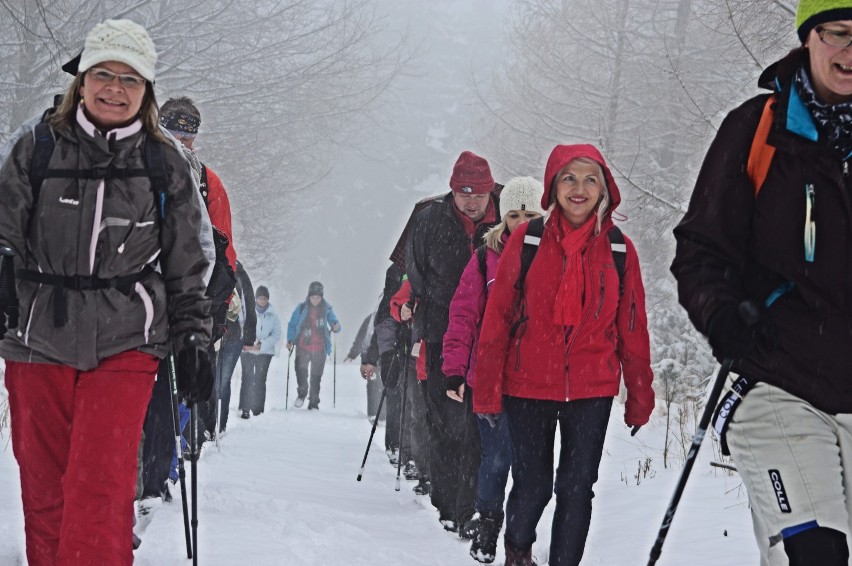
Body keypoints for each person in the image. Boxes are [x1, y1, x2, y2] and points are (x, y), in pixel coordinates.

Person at [0, 19, 212, 566]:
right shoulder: (37, 148)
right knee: (44, 488)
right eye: (103, 75)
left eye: (130, 79)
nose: (114, 89)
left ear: (146, 92)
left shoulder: (164, 164)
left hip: (127, 339)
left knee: (100, 487)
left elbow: (189, 261)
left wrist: (193, 335)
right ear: (82, 79)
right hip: (37, 334)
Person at [671, 3, 852, 564]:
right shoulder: (758, 129)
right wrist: (726, 320)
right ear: (808, 37)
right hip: (780, 383)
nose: (851, 52)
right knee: (815, 554)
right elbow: (702, 249)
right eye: (840, 34)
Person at [473, 144, 654, 566]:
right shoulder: (528, 240)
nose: (579, 188)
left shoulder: (619, 250)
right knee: (533, 484)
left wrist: (640, 395)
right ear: (553, 186)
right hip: (529, 383)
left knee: (576, 487)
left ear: (604, 189)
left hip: (592, 387)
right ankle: (518, 550)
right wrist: (487, 389)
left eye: (590, 179)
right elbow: (497, 320)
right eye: (569, 178)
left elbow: (632, 328)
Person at [443, 176, 545, 562]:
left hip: (538, 379)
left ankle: (520, 540)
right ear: (503, 219)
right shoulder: (486, 257)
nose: (521, 222)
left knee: (530, 466)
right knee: (497, 458)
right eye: (514, 214)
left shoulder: (555, 257)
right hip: (491, 378)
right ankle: (487, 523)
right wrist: (454, 369)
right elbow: (464, 315)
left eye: (530, 214)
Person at [406, 150, 500, 533]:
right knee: (446, 426)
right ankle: (450, 509)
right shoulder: (429, 219)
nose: (473, 201)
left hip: (493, 338)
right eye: (465, 194)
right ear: (452, 190)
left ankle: (477, 509)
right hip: (443, 334)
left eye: (479, 194)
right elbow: (416, 274)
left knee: (483, 429)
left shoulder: (510, 213)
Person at [216, 260, 257, 432]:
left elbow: (249, 304)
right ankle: (211, 424)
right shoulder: (214, 265)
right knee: (212, 381)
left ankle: (220, 424)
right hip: (214, 334)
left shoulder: (239, 273)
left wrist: (249, 337)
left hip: (232, 337)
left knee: (222, 382)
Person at [286, 281, 341, 409]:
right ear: (308, 296)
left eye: (318, 297)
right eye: (313, 297)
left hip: (320, 347)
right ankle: (302, 393)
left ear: (321, 297)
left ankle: (314, 402)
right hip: (303, 347)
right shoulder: (301, 308)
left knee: (316, 376)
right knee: (301, 372)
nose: (315, 300)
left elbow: (335, 323)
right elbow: (292, 324)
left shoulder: (327, 308)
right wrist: (290, 339)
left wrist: (336, 326)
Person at [239, 285, 281, 418]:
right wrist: (249, 342)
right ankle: (245, 408)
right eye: (260, 298)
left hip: (265, 352)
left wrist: (262, 345)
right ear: (255, 299)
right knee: (247, 378)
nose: (262, 301)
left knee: (260, 379)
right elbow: (241, 326)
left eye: (264, 298)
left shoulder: (273, 315)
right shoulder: (248, 311)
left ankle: (258, 408)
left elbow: (276, 334)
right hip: (247, 350)